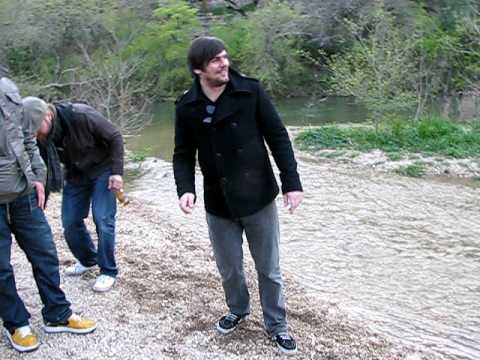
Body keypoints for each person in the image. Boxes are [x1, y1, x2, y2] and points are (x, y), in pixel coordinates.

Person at [173, 36, 304, 355]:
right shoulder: (187, 106)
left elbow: (278, 137)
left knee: (268, 268)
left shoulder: (250, 91)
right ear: (198, 69)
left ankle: (277, 326)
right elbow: (182, 153)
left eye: (225, 57)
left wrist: (292, 182)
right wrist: (185, 188)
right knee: (229, 267)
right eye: (216, 60)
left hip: (258, 196)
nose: (224, 63)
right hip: (218, 201)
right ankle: (239, 310)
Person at [0, 74, 96, 353]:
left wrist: (39, 176)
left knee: (45, 253)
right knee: (1, 268)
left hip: (24, 194)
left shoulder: (7, 88)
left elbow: (27, 139)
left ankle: (57, 312)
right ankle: (16, 323)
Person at [22, 97, 124, 293]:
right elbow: (43, 167)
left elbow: (115, 137)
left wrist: (117, 172)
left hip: (103, 169)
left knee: (103, 218)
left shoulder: (80, 115)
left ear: (48, 116)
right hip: (76, 174)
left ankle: (108, 271)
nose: (33, 134)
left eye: (34, 128)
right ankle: (88, 260)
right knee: (70, 222)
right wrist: (40, 197)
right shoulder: (43, 138)